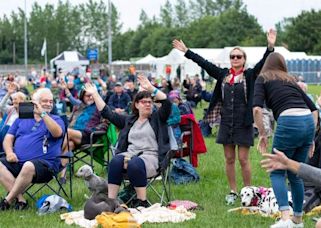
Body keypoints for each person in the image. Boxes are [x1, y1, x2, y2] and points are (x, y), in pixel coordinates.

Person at [173, 29, 276, 205]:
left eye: (239, 56)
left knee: (243, 159)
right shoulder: (223, 75)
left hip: (243, 123)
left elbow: (263, 62)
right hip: (226, 122)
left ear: (244, 60)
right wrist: (187, 51)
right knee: (229, 159)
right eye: (233, 56)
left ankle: (248, 191)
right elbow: (204, 63)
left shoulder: (250, 75)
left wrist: (270, 46)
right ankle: (233, 191)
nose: (235, 59)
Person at [84, 74, 171, 208]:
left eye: (150, 102)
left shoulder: (158, 118)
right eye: (144, 102)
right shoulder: (129, 120)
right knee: (116, 161)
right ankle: (111, 201)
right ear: (136, 104)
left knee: (134, 163)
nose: (148, 104)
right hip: (129, 155)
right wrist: (95, 94)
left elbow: (166, 102)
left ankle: (142, 202)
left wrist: (151, 88)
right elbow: (108, 113)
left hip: (151, 158)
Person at [253, 52, 318, 228]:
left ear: (267, 64)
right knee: (295, 173)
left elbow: (257, 110)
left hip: (289, 121)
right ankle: (298, 220)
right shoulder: (290, 80)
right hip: (307, 122)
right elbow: (314, 110)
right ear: (283, 65)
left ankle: (284, 219)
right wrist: (311, 138)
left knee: (276, 171)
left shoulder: (262, 78)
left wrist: (262, 134)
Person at [0, 88, 65, 210]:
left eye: (51, 101)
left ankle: (6, 201)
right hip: (18, 162)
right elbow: (8, 139)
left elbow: (57, 133)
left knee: (29, 166)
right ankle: (21, 200)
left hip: (46, 166)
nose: (48, 104)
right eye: (45, 101)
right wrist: (9, 153)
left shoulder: (56, 119)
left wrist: (43, 114)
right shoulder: (21, 119)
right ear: (35, 102)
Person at [0, 82, 27, 152]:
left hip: (16, 134)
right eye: (13, 99)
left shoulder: (26, 111)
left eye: (16, 99)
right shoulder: (11, 109)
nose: (14, 101)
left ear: (22, 100)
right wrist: (8, 93)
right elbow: (1, 106)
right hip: (5, 132)